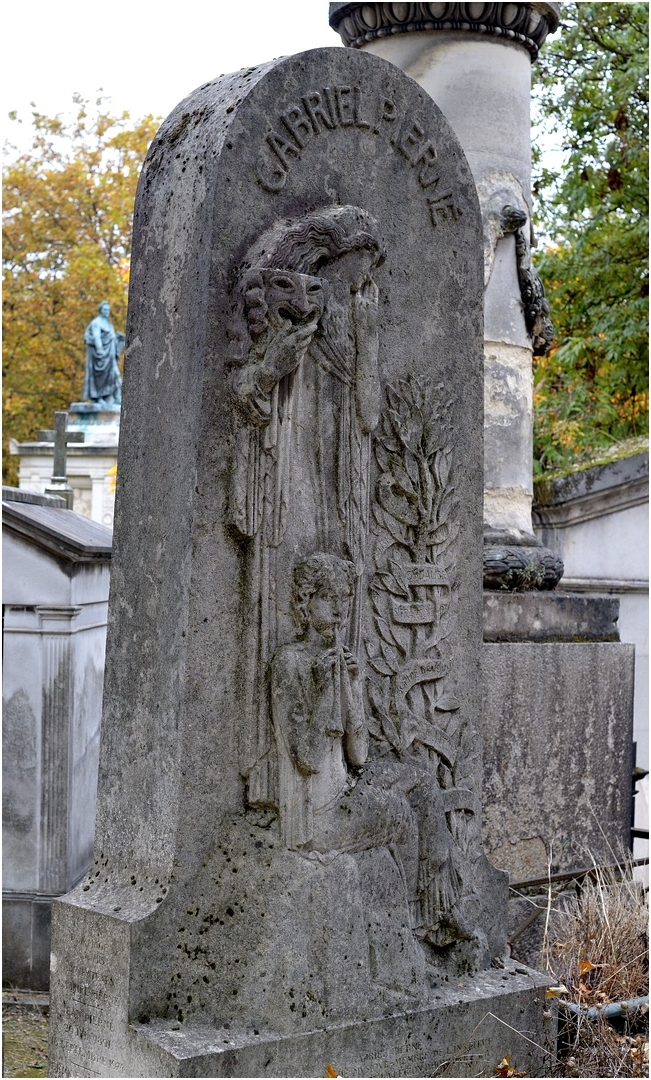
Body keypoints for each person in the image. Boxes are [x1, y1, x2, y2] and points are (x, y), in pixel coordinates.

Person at [82, 301, 124, 406]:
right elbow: (96, 337)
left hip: (110, 356)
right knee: (100, 378)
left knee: (115, 375)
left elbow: (111, 337)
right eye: (105, 310)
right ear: (100, 310)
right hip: (101, 357)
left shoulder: (109, 323)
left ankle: (116, 397)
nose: (107, 312)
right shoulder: (96, 323)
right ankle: (99, 397)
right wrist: (100, 350)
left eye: (108, 310)